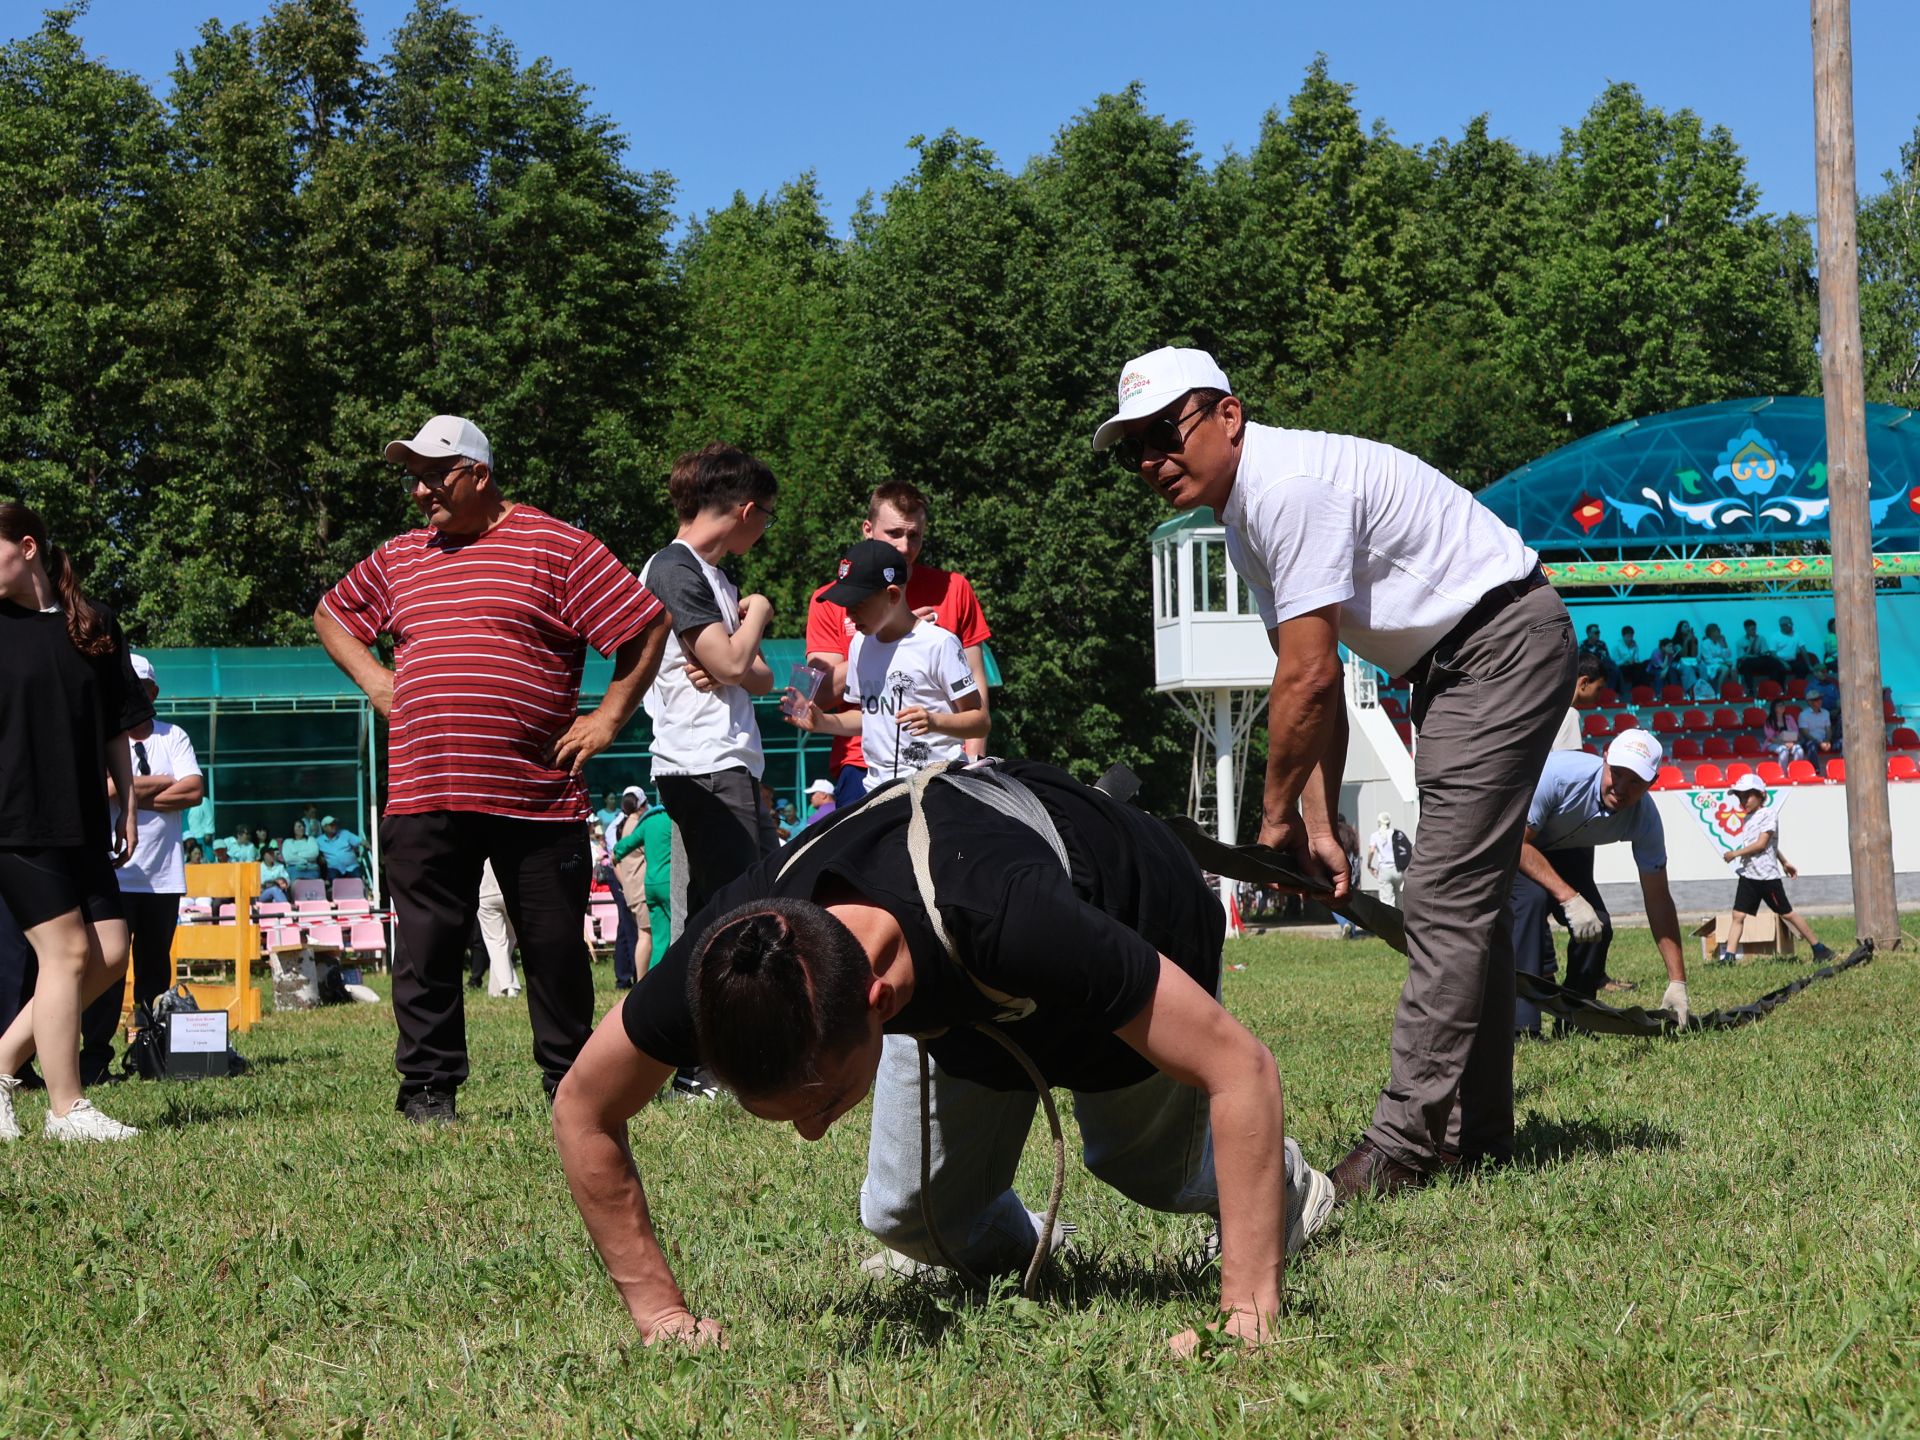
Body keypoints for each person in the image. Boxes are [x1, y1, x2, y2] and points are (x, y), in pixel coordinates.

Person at [551, 759, 1337, 1358]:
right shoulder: (731, 954)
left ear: (878, 1004)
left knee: (1142, 1165)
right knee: (910, 1216)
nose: (812, 1135)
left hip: (1131, 912)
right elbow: (584, 1107)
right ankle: (1038, 1252)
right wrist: (661, 1315)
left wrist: (1247, 1315)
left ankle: (1290, 1187)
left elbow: (1241, 1069)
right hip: (963, 978)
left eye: (821, 1104)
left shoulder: (1009, 913)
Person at [1094, 345, 1575, 1200]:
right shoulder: (1246, 514)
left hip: (1497, 645)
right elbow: (1307, 680)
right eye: (1132, 449)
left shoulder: (1286, 491)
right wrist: (1318, 828)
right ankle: (1480, 1133)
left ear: (1227, 416)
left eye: (1165, 434)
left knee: (1442, 895)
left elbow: (1310, 680)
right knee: (1466, 899)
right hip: (1459, 662)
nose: (1150, 462)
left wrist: (1275, 815)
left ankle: (1403, 1147)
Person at [315, 413, 668, 1123]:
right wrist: (380, 684)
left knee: (553, 948)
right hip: (425, 786)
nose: (420, 492)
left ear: (479, 474)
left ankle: (573, 1086)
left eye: (434, 475)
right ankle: (427, 1092)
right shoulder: (399, 558)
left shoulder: (555, 546)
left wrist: (606, 720)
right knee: (425, 949)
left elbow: (644, 623)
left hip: (533, 792)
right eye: (413, 477)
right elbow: (332, 614)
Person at [0, 502, 150, 1142]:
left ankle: (1, 1064)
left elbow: (117, 720)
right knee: (65, 953)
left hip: (84, 816)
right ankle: (67, 1109)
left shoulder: (93, 625)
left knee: (110, 954)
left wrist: (129, 802)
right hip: (13, 817)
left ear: (27, 546)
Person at [639, 444, 780, 953]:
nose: (765, 528)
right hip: (705, 765)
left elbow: (759, 678)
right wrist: (759, 611)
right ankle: (693, 1022)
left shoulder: (715, 577)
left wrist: (733, 662)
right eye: (768, 516)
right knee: (738, 920)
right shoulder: (675, 569)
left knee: (732, 910)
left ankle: (689, 1022)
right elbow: (734, 664)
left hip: (730, 765)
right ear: (748, 510)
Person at [806, 482, 994, 809]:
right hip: (862, 765)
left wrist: (973, 758)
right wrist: (888, 640)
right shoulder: (834, 600)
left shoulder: (954, 589)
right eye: (893, 533)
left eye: (915, 536)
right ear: (868, 529)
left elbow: (976, 692)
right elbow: (817, 694)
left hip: (939, 769)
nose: (905, 547)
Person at [76, 652, 206, 1084]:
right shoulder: (103, 737)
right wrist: (154, 785)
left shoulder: (174, 736)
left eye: (140, 685)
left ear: (152, 691)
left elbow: (193, 791)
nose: (133, 692)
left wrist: (126, 793)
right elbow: (102, 791)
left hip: (164, 877)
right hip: (113, 873)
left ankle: (150, 1055)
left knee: (155, 969)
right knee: (107, 970)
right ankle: (94, 1061)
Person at [1508, 731, 1692, 1037]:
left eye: (1635, 782)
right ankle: (1520, 1027)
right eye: (1616, 774)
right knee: (1531, 903)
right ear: (1604, 760)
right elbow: (1516, 843)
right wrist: (1568, 898)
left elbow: (1658, 898)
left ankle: (1575, 1021)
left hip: (1564, 846)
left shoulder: (1645, 819)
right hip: (1513, 841)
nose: (1621, 788)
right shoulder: (1557, 775)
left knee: (1599, 926)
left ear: (1652, 783)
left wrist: (1678, 981)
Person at [786, 540, 988, 789]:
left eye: (857, 603)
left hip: (937, 786)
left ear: (892, 595)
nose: (849, 614)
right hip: (877, 791)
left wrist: (935, 721)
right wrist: (823, 722)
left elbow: (980, 720)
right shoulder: (860, 644)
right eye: (845, 605)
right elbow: (869, 718)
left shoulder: (940, 643)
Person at [1716, 776, 1836, 964]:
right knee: (1738, 915)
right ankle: (1729, 957)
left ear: (1761, 795)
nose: (1742, 801)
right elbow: (1771, 846)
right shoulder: (1748, 818)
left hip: (1766, 878)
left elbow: (1762, 844)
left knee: (1786, 913)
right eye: (1740, 797)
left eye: (1747, 796)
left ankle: (1819, 948)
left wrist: (1735, 853)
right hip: (1749, 875)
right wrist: (1784, 861)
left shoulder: (1768, 814)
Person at [607, 786, 653, 984]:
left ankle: (628, 977)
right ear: (641, 805)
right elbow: (614, 857)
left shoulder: (617, 826)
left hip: (627, 885)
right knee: (643, 934)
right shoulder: (636, 826)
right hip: (635, 885)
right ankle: (639, 980)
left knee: (627, 931)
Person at [475, 858, 521, 998]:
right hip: (508, 890)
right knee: (508, 941)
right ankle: (496, 989)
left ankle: (508, 986)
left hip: (485, 893)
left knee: (496, 943)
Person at [1550, 654, 1608, 751]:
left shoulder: (1551, 708)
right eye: (1599, 689)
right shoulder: (1569, 714)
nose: (1600, 695)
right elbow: (1567, 761)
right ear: (1584, 682)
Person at [1364, 812, 1403, 909]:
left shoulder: (1375, 835)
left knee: (1387, 899)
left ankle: (1391, 921)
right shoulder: (1396, 834)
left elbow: (1372, 851)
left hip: (1384, 870)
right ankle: (1401, 918)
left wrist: (1368, 864)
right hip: (1398, 869)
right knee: (1398, 894)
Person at [314, 816, 365, 883]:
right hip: (334, 868)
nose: (334, 826)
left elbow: (361, 841)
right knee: (333, 879)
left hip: (351, 867)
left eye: (335, 824)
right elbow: (313, 852)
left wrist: (373, 850)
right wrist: (319, 857)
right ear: (324, 827)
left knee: (358, 879)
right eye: (331, 825)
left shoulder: (345, 833)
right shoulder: (319, 840)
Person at [1798, 690, 1838, 773]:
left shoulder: (1826, 713)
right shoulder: (1803, 715)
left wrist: (1827, 741)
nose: (1819, 701)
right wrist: (1820, 743)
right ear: (1810, 702)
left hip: (1824, 740)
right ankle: (1815, 770)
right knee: (1811, 746)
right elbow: (1805, 733)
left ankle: (1842, 769)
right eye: (1816, 700)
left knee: (1842, 743)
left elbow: (1828, 729)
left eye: (1820, 699)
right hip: (1811, 740)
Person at [1736, 618, 1783, 687]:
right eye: (1752, 629)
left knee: (1775, 662)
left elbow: (1765, 653)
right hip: (1748, 661)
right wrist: (1751, 644)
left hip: (1759, 660)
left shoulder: (1761, 638)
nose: (1754, 631)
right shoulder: (1740, 641)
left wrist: (1762, 654)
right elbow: (1742, 657)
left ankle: (1774, 686)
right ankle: (1750, 689)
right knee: (1746, 663)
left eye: (1755, 629)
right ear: (1746, 629)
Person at [1579, 625, 1621, 693]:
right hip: (1589, 667)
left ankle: (1609, 692)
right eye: (1596, 632)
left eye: (1599, 632)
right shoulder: (1582, 644)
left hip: (1602, 665)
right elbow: (1581, 660)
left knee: (1613, 667)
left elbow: (1607, 657)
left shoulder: (1602, 644)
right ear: (1589, 634)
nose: (1598, 634)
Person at [1763, 698, 1802, 769]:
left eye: (1783, 705)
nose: (1782, 707)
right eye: (1779, 706)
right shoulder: (1769, 721)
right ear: (1774, 708)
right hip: (1774, 743)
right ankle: (1782, 774)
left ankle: (1795, 771)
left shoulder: (1790, 718)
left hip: (1791, 742)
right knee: (1784, 750)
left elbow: (1796, 734)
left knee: (1799, 750)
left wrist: (1792, 743)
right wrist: (1784, 743)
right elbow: (1771, 738)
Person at [1698, 623, 1734, 695]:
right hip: (1711, 665)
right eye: (1717, 631)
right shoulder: (1705, 643)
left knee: (1734, 668)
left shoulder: (1718, 642)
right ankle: (1719, 690)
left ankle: (1733, 690)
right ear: (1711, 633)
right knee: (1725, 669)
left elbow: (1727, 655)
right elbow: (1708, 660)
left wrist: (1724, 643)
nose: (1719, 633)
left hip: (1722, 663)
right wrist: (1721, 663)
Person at [1670, 620, 1701, 693]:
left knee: (1702, 667)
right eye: (1685, 626)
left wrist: (1693, 641)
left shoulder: (1693, 639)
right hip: (1678, 662)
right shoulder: (1675, 640)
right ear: (1680, 629)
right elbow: (1683, 655)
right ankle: (1690, 691)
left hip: (1691, 661)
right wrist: (1686, 641)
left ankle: (1703, 687)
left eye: (1688, 626)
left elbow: (1694, 655)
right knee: (1688, 669)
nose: (1688, 628)